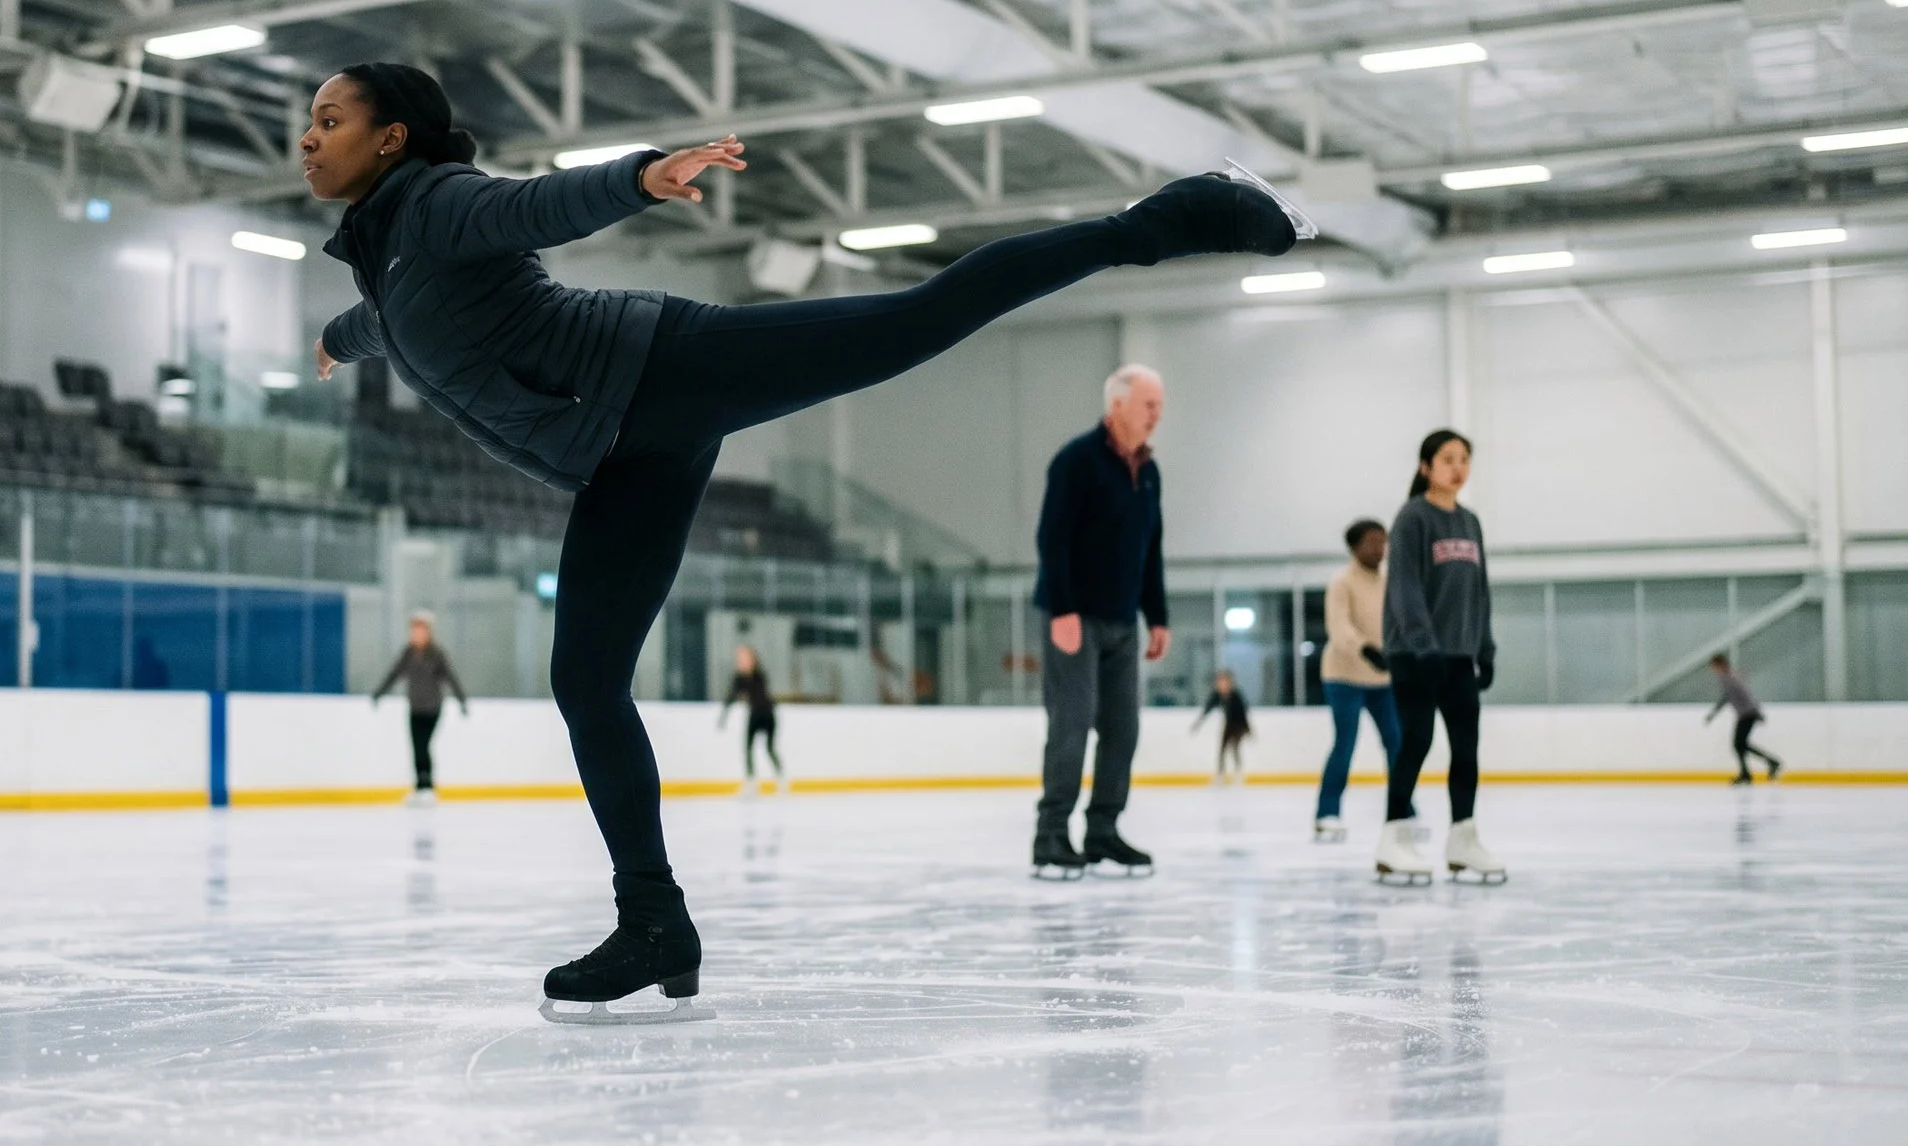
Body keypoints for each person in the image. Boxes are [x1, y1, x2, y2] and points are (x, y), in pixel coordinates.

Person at [304, 61, 1300, 1020]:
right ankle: (654, 926)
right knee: (587, 684)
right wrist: (332, 340)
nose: (308, 135)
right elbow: (384, 321)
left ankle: (1169, 218)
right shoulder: (389, 264)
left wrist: (638, 177)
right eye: (309, 120)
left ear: (392, 138)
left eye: (330, 118)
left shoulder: (435, 206)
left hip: (662, 368)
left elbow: (532, 209)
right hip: (618, 458)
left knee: (922, 314)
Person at [1030, 365, 1174, 880]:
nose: (1157, 414)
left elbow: (1149, 549)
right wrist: (1063, 609)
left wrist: (1156, 615)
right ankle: (1050, 836)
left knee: (1123, 729)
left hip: (1121, 620)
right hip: (1074, 617)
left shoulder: (1149, 472)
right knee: (1071, 725)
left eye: (1159, 405)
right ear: (1117, 406)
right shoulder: (1077, 460)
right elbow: (1052, 538)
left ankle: (1102, 831)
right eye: (1148, 405)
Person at [1376, 430, 1505, 886]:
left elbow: (1480, 590)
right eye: (1448, 458)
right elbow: (1404, 587)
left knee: (1466, 749)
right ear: (1426, 466)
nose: (1458, 467)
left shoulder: (1470, 522)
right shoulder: (1412, 518)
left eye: (1464, 459)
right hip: (1415, 653)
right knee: (1416, 740)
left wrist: (1484, 649)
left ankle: (1463, 838)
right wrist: (1423, 646)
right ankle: (1393, 838)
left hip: (1459, 655)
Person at [1315, 518, 1401, 842]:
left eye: (1383, 541)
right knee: (1345, 743)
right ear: (1354, 547)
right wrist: (1367, 650)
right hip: (1344, 678)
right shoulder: (1342, 582)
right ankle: (1327, 813)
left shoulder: (1390, 581)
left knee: (1397, 742)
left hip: (1384, 680)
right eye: (1372, 542)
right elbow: (1339, 628)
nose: (1380, 548)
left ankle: (1401, 807)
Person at [371, 610, 469, 805]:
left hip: (432, 708)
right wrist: (379, 693)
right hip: (415, 707)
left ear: (428, 632)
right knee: (416, 747)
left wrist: (462, 700)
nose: (417, 634)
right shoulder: (408, 653)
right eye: (414, 630)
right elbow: (394, 673)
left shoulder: (436, 654)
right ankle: (419, 787)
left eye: (421, 630)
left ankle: (428, 787)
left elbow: (451, 677)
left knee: (424, 746)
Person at [1703, 653, 1782, 785]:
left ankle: (1763, 766)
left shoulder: (1728, 677)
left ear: (1720, 664)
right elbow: (1730, 696)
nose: (1712, 669)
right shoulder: (1731, 676)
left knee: (1739, 744)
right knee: (1740, 744)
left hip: (1747, 713)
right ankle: (1757, 768)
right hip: (1746, 713)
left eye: (1714, 666)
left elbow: (1742, 693)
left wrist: (1756, 711)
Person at [717, 644, 782, 796]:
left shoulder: (759, 675)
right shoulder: (739, 678)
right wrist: (723, 717)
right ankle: (752, 784)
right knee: (748, 749)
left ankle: (781, 779)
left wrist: (746, 681)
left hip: (767, 714)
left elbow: (760, 694)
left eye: (745, 658)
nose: (741, 661)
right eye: (740, 659)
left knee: (769, 748)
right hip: (754, 715)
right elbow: (731, 697)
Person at [1191, 670, 1251, 785]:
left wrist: (1248, 729)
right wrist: (1198, 722)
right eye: (1220, 682)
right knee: (1222, 750)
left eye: (1224, 681)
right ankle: (1220, 775)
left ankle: (1238, 775)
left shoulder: (1236, 695)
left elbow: (1243, 713)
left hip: (1239, 725)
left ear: (1229, 683)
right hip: (1228, 724)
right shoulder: (1217, 695)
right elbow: (1208, 708)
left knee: (1235, 748)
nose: (1221, 684)